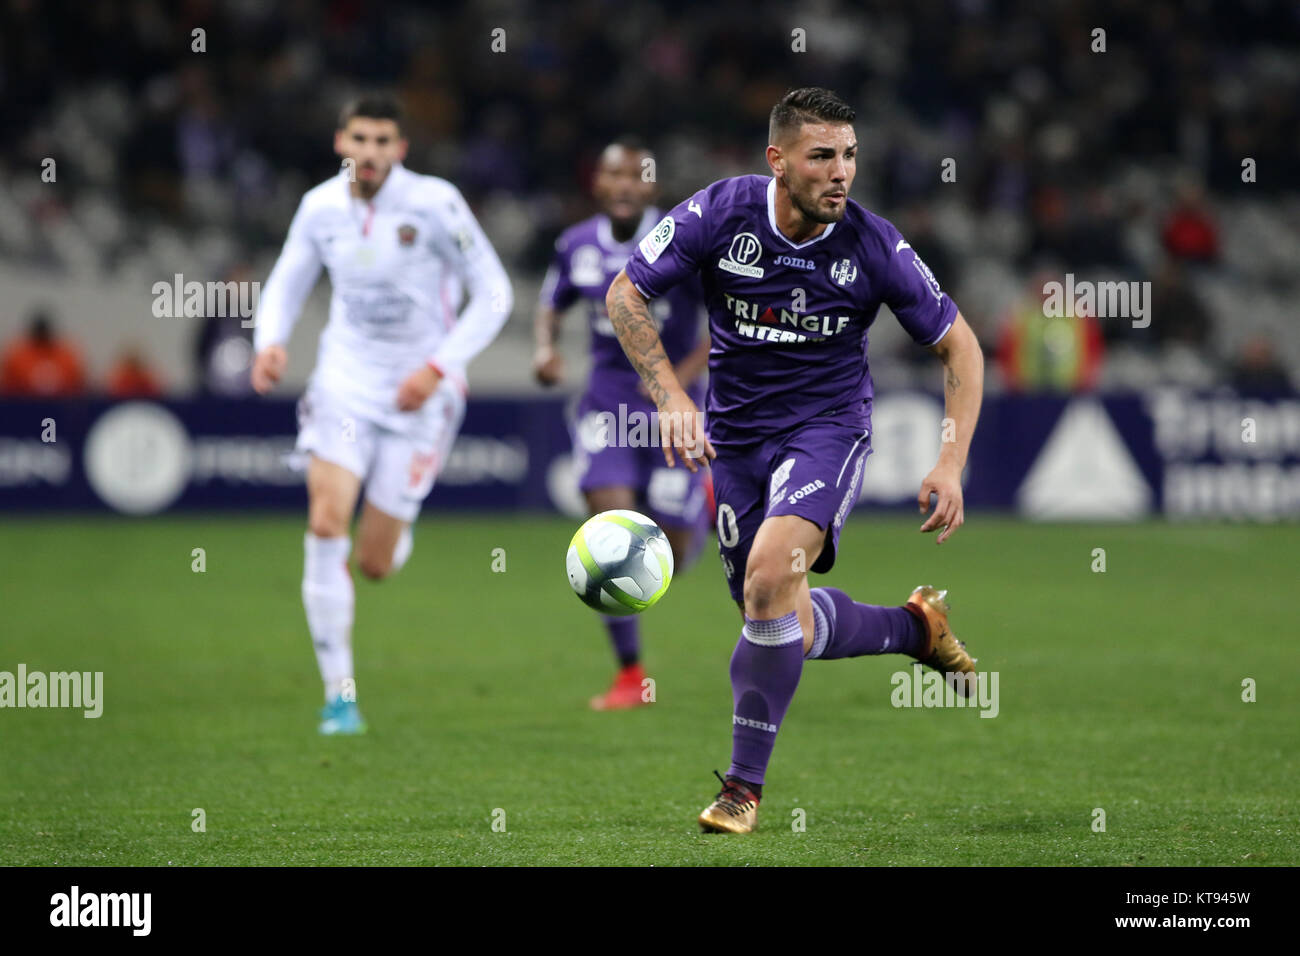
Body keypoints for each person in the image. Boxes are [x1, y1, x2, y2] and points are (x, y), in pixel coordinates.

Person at [605, 87, 985, 833]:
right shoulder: (721, 212)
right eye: (822, 157)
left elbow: (960, 347)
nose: (841, 172)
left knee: (772, 572)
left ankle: (741, 792)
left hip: (826, 430)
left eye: (849, 156)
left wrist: (950, 462)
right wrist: (672, 399)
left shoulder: (875, 247)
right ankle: (915, 629)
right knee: (780, 622)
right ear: (778, 161)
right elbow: (626, 295)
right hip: (736, 439)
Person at [250, 94, 513, 735]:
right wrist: (270, 342)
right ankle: (339, 697)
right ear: (342, 142)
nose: (369, 153)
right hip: (344, 381)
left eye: (383, 142)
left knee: (373, 563)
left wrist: (439, 365)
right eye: (359, 139)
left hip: (421, 393)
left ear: (400, 150)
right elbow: (287, 279)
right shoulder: (319, 208)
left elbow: (495, 292)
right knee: (324, 519)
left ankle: (391, 539)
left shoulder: (434, 203)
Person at [533, 139, 711, 710]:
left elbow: (729, 316)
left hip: (673, 409)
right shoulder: (575, 244)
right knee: (612, 534)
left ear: (652, 187)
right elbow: (550, 303)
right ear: (599, 183)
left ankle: (701, 501)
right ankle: (631, 675)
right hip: (608, 406)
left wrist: (676, 374)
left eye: (639, 175)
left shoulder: (683, 242)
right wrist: (546, 350)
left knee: (672, 559)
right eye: (615, 174)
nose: (626, 184)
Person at [0, 310, 86, 397]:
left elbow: (79, 388)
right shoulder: (17, 356)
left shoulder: (67, 356)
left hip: (61, 407)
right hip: (24, 406)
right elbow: (7, 389)